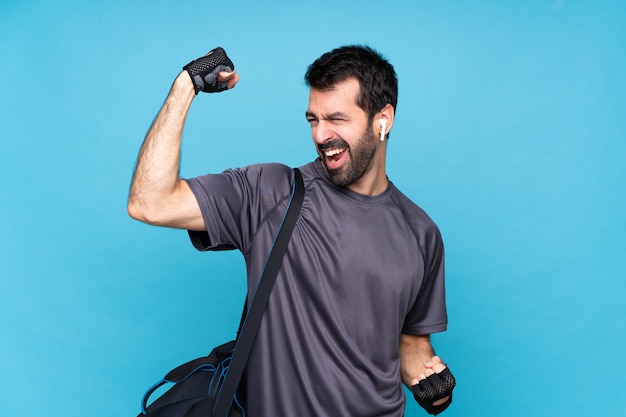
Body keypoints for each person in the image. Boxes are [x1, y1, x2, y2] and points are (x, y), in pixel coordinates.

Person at [128, 45, 456, 416]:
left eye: (336, 119)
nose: (320, 135)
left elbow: (411, 346)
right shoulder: (271, 192)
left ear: (383, 120)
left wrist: (434, 385)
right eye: (313, 120)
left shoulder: (421, 233)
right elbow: (150, 202)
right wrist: (184, 86)